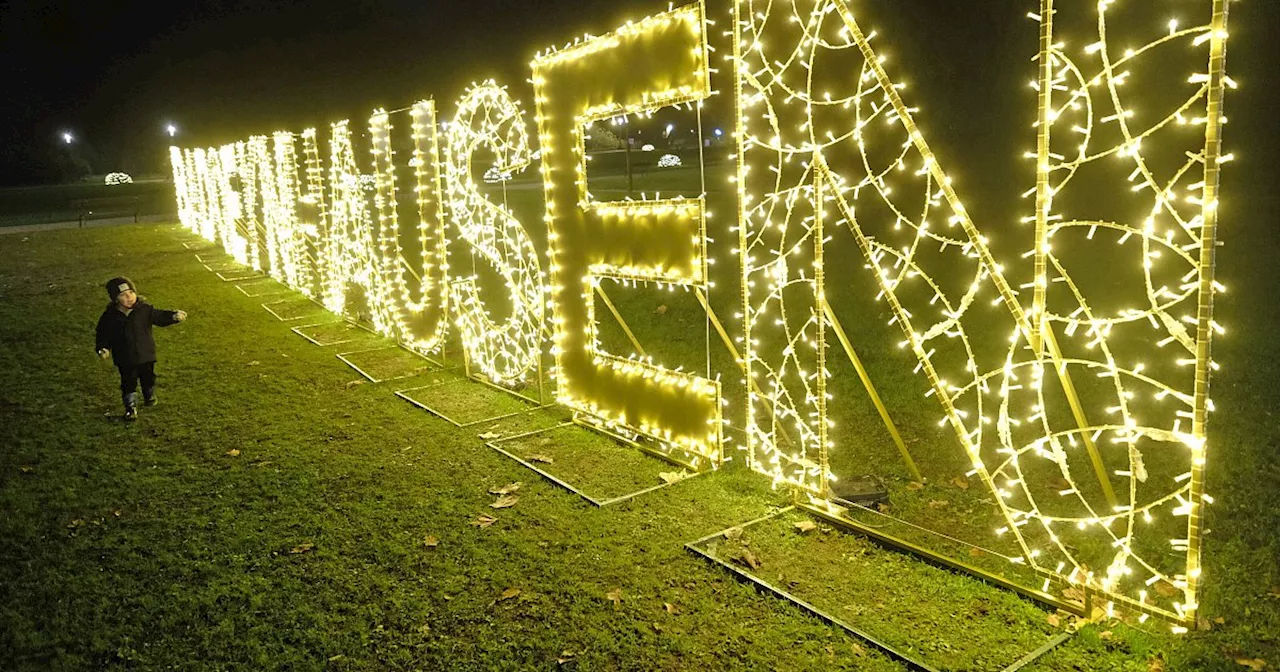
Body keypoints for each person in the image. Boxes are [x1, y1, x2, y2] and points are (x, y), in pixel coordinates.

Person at [94, 277, 187, 421]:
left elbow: (159, 316)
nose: (129, 297)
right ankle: (130, 407)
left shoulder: (144, 310)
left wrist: (173, 316)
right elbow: (103, 334)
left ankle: (148, 394)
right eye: (123, 295)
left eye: (131, 293)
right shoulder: (110, 317)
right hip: (125, 357)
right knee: (128, 381)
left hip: (145, 354)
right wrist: (103, 348)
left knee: (148, 376)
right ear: (115, 299)